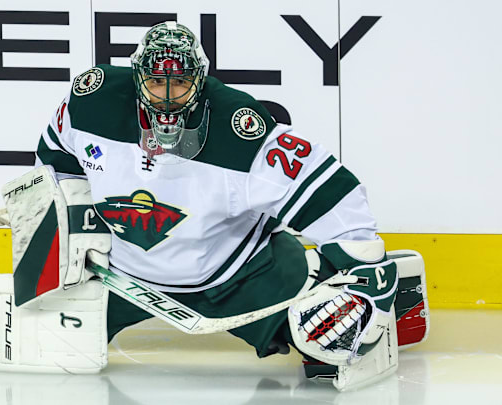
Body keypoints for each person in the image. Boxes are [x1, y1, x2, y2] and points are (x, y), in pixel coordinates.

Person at [33, 21, 426, 390]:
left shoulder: (241, 129)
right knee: (45, 343)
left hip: (237, 275)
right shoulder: (93, 100)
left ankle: (360, 291)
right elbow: (57, 158)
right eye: (156, 82)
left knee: (324, 338)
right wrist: (70, 225)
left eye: (181, 83)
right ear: (137, 78)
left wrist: (365, 268)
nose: (168, 97)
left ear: (199, 81)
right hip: (123, 277)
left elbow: (328, 189)